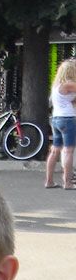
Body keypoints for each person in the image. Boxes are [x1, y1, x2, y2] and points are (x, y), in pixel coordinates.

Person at [45, 58, 76, 190]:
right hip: (68, 119)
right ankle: (67, 182)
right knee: (68, 150)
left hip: (56, 118)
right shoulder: (68, 84)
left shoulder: (57, 86)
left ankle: (49, 181)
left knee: (55, 150)